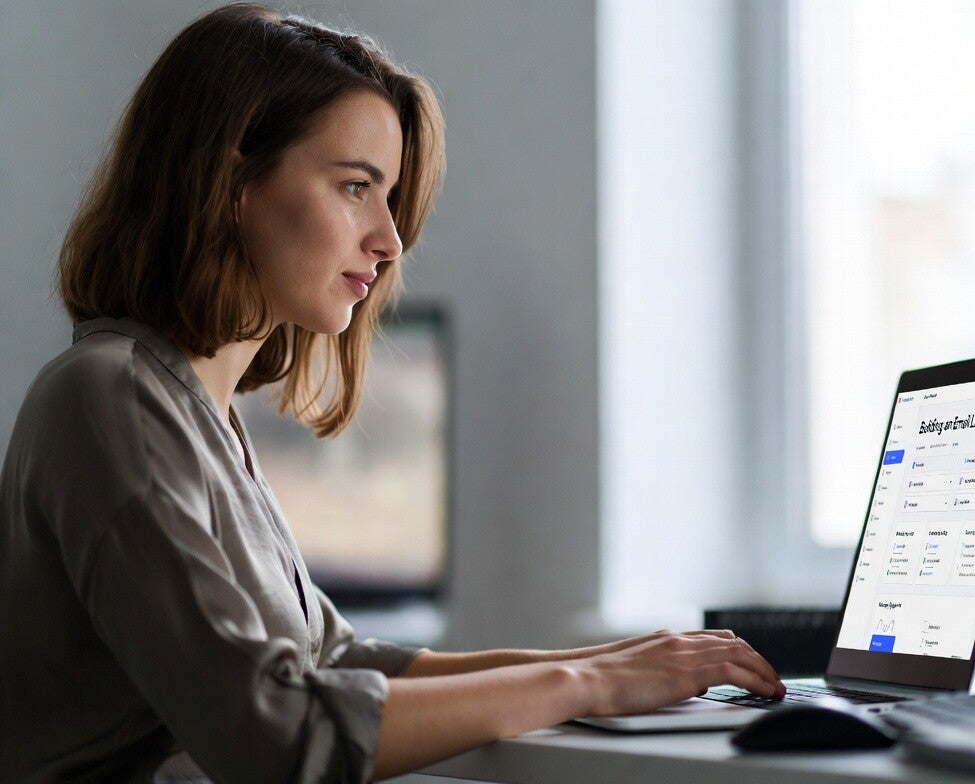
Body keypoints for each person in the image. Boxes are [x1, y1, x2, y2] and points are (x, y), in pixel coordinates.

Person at [0, 4, 784, 782]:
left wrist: (611, 661)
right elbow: (276, 733)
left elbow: (333, 658)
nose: (390, 239)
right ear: (230, 179)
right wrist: (588, 684)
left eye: (388, 196)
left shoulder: (196, 411)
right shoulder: (111, 398)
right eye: (353, 187)